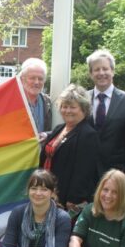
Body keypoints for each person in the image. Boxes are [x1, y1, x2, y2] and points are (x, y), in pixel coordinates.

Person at [39, 84, 100, 216]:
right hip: (47, 191)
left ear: (84, 109)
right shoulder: (59, 129)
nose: (67, 110)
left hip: (66, 200)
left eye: (72, 107)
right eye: (64, 106)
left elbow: (84, 172)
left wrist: (73, 200)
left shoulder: (88, 134)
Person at [86, 49, 125, 174]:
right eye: (97, 69)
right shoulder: (82, 99)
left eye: (105, 69)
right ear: (90, 73)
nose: (101, 73)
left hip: (116, 174)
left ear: (113, 71)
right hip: (86, 173)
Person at [18, 58, 52, 133]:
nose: (36, 82)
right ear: (22, 79)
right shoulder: (13, 101)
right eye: (32, 78)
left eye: (40, 79)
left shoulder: (48, 102)